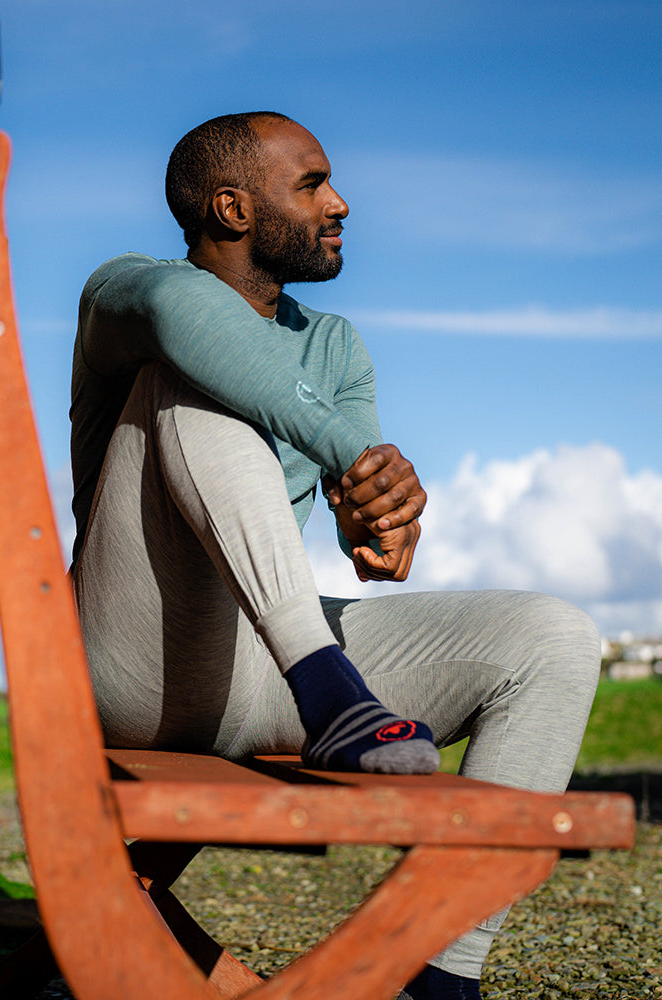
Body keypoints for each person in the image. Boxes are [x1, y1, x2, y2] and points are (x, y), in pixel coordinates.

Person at [68, 111, 600, 1000]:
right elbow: (189, 319)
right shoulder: (126, 292)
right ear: (232, 209)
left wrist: (377, 521)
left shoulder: (333, 344)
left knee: (553, 637)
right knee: (190, 377)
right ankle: (331, 690)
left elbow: (360, 501)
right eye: (312, 184)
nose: (340, 202)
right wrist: (347, 450)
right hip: (138, 658)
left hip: (267, 661)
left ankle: (440, 972)